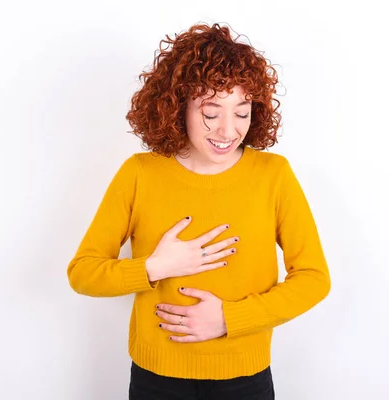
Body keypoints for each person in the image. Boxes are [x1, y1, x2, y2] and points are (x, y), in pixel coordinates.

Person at [67, 22, 331, 400]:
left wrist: (229, 318)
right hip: (156, 379)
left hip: (245, 379)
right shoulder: (140, 173)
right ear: (177, 106)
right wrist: (156, 267)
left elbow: (314, 278)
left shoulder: (273, 175)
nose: (228, 131)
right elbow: (83, 272)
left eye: (242, 113)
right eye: (211, 113)